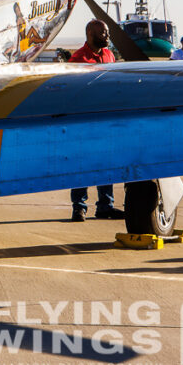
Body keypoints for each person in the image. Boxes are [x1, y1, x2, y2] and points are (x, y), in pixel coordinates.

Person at [67, 20, 124, 221]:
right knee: (82, 163)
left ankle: (105, 206)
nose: (107, 36)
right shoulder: (78, 59)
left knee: (106, 162)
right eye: (103, 33)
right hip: (84, 121)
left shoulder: (109, 55)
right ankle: (79, 207)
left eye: (107, 32)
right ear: (91, 33)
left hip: (106, 119)